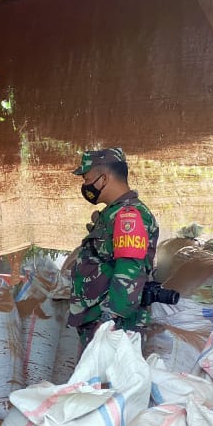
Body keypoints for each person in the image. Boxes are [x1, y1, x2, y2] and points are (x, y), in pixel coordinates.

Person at [67, 147, 159, 347]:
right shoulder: (113, 213)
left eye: (87, 178)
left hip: (114, 326)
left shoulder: (129, 215)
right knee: (93, 379)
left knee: (109, 379)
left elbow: (130, 270)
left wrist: (109, 320)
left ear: (104, 178)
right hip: (99, 320)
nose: (85, 185)